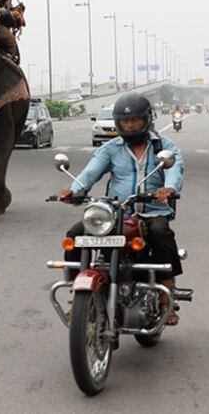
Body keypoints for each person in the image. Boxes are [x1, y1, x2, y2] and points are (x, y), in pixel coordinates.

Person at [57, 92, 185, 326]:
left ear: (147, 119)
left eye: (134, 120)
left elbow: (174, 170)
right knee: (75, 235)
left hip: (152, 210)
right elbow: (90, 172)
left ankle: (168, 295)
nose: (129, 125)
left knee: (160, 233)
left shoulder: (164, 146)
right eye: (124, 121)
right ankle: (78, 297)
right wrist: (74, 191)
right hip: (117, 213)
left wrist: (168, 188)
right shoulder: (110, 148)